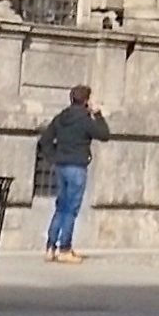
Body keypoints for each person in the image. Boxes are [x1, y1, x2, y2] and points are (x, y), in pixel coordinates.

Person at [33, 83, 110, 263]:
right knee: (71, 209)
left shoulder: (61, 118)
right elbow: (104, 135)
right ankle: (65, 249)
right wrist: (97, 114)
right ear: (86, 101)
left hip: (60, 166)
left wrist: (54, 156)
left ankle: (50, 247)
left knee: (60, 206)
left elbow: (44, 140)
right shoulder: (85, 120)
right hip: (77, 166)